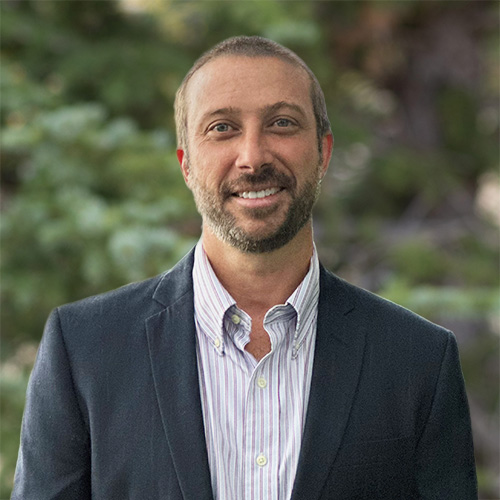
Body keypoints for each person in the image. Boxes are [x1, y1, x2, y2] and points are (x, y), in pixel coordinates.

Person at [13, 36, 477, 500]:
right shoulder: (85, 351)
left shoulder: (418, 361)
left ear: (324, 153)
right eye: (222, 127)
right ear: (187, 165)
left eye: (281, 123)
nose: (253, 157)